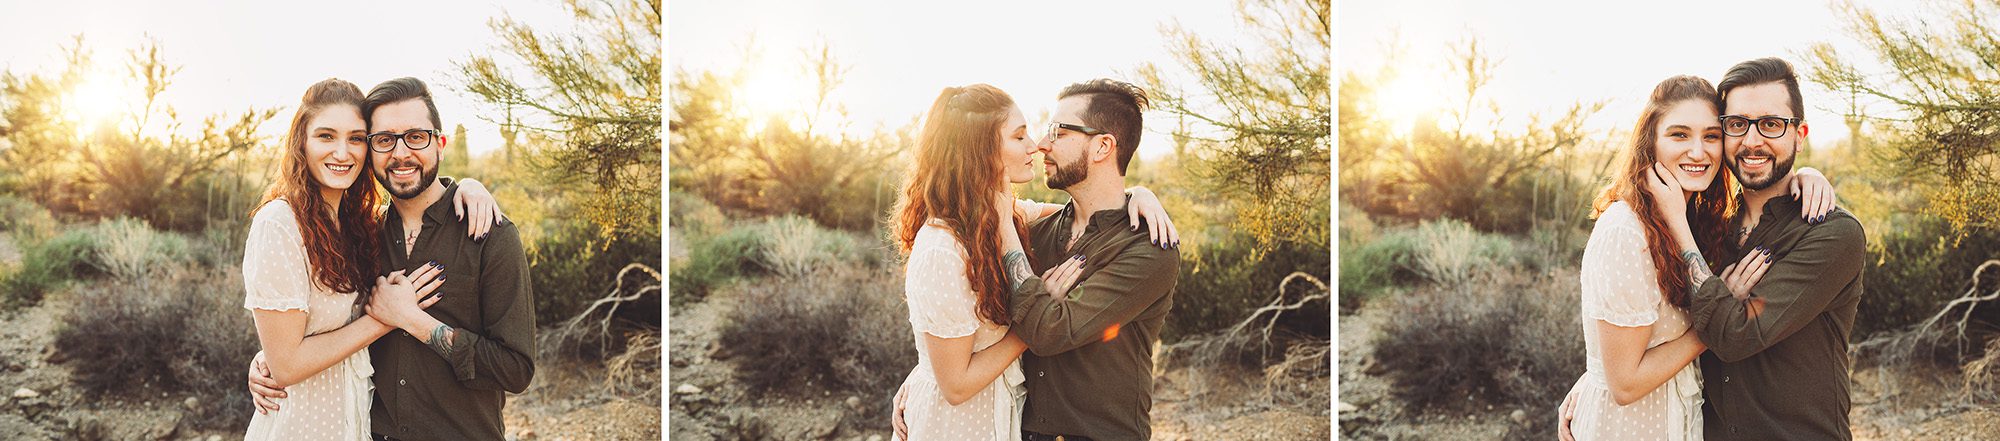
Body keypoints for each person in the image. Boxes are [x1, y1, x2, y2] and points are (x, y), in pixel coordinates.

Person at [248, 77, 537, 441]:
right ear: (372, 151)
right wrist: (270, 358)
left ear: (440, 144)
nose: (401, 154)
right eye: (384, 140)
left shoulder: (489, 234)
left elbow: (515, 370)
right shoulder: (367, 234)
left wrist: (413, 321)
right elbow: (314, 330)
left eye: (416, 137)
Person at [888, 83, 1178, 441]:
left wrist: (1138, 193)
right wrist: (927, 373)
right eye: (1024, 134)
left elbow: (1048, 331)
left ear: (1103, 145)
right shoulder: (1036, 230)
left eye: (1058, 131)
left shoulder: (1146, 247)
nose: (1041, 144)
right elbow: (962, 346)